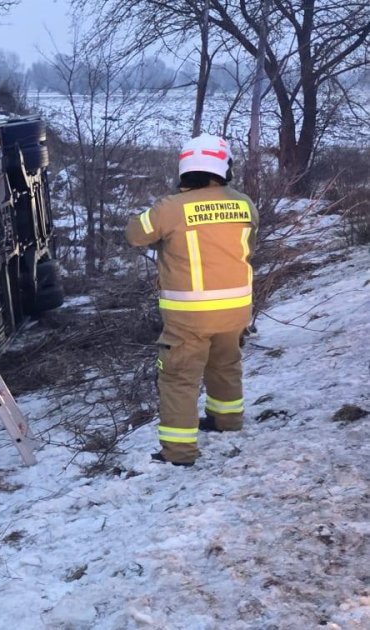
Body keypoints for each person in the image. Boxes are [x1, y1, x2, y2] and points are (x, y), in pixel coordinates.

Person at [127, 133, 258, 467]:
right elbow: (248, 247)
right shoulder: (244, 203)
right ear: (224, 168)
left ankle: (179, 452)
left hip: (190, 315)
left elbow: (135, 234)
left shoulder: (171, 208)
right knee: (225, 363)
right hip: (236, 309)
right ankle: (227, 420)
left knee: (179, 378)